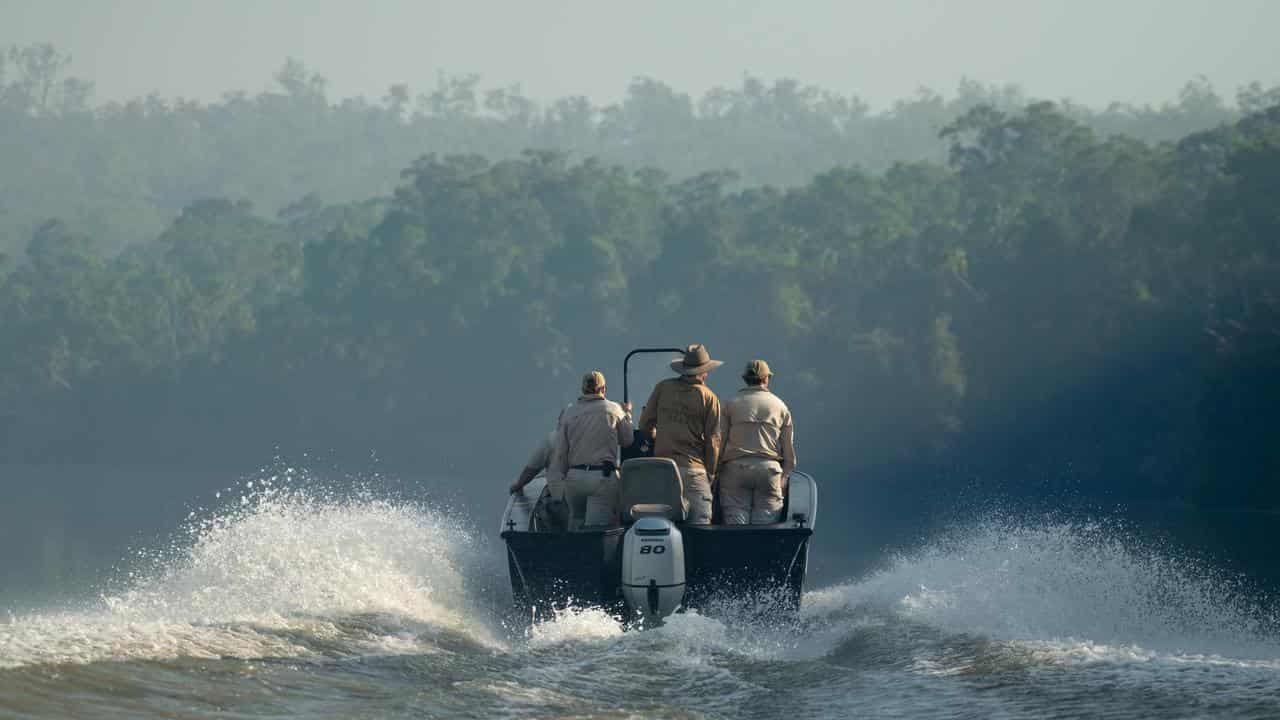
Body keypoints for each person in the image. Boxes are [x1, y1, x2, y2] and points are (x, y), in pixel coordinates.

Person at [637, 344, 723, 524]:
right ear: (704, 372)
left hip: (664, 469)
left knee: (661, 523)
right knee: (701, 523)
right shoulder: (709, 397)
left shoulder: (663, 388)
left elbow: (645, 424)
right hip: (694, 470)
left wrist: (656, 436)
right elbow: (713, 441)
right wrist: (712, 473)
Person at [547, 370, 635, 530]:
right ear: (603, 389)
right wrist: (627, 413)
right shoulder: (614, 409)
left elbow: (560, 453)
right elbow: (627, 441)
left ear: (583, 389)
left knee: (576, 522)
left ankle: (574, 552)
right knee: (597, 529)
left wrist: (559, 483)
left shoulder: (569, 412)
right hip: (601, 477)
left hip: (574, 478)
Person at [717, 359, 796, 525]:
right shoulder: (780, 406)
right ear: (766, 379)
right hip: (769, 470)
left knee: (735, 527)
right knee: (765, 529)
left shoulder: (730, 404)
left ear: (745, 378)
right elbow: (789, 455)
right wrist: (784, 477)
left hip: (735, 469)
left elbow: (719, 442)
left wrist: (715, 473)